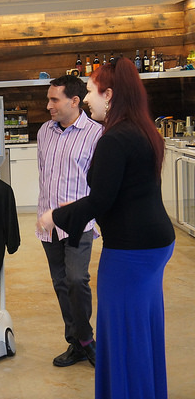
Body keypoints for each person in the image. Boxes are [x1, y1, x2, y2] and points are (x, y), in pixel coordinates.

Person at [38, 58, 175, 399]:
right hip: (154, 243)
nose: (87, 99)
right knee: (142, 329)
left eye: (90, 91)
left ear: (109, 95)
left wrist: (56, 216)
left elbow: (99, 201)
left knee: (122, 332)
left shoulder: (113, 138)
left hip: (131, 251)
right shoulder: (143, 130)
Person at [37, 74, 103, 368]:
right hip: (49, 223)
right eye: (49, 98)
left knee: (77, 280)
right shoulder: (44, 132)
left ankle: (86, 339)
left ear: (75, 101)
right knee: (61, 283)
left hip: (78, 224)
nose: (48, 105)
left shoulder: (96, 134)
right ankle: (76, 343)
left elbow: (100, 184)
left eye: (54, 99)